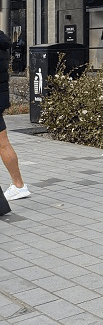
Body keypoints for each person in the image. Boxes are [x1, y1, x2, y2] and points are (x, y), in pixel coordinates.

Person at [0, 29, 29, 201]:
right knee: (3, 144)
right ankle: (19, 185)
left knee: (3, 145)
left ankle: (19, 186)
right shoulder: (2, 42)